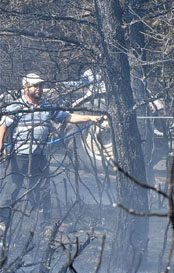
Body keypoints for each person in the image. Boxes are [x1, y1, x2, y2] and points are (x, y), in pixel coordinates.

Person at [0, 73, 104, 229]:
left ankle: (44, 226)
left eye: (40, 85)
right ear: (25, 86)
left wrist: (90, 118)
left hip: (40, 156)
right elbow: (3, 127)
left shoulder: (47, 107)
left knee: (42, 191)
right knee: (11, 189)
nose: (39, 88)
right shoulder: (16, 107)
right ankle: (2, 223)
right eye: (35, 85)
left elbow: (68, 117)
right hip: (19, 156)